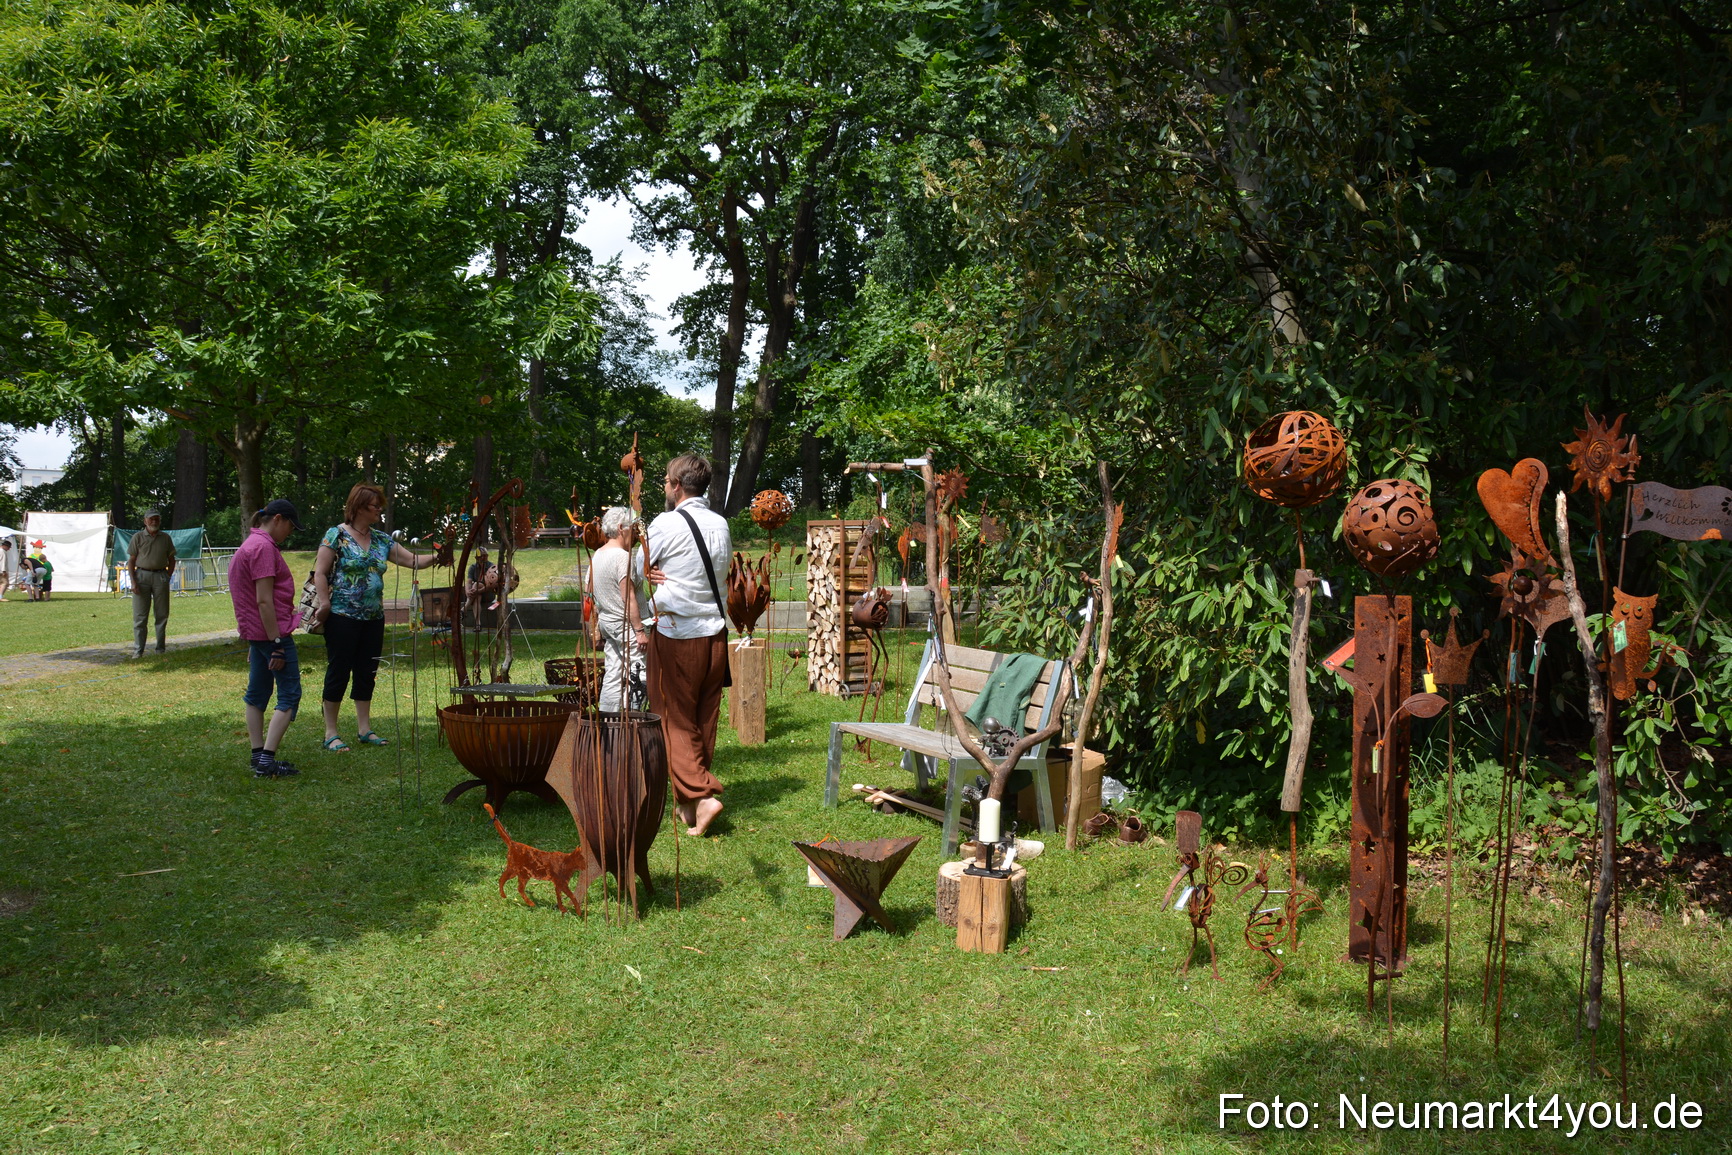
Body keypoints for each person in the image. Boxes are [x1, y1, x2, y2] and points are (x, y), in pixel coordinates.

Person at [313, 482, 443, 752]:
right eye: (375, 506)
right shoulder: (336, 535)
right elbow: (320, 572)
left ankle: (364, 729)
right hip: (341, 616)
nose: (380, 511)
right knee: (339, 671)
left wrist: (441, 554)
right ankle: (331, 733)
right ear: (359, 506)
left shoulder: (382, 540)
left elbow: (413, 561)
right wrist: (324, 603)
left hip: (373, 618)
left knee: (366, 672)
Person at [644, 454, 730, 836]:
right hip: (716, 635)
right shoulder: (721, 523)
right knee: (702, 719)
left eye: (665, 480)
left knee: (673, 718)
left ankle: (703, 794)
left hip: (678, 633)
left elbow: (632, 569)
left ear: (677, 485)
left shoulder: (665, 522)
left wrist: (645, 571)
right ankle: (689, 803)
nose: (664, 486)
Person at [230, 499, 303, 778]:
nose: (290, 534)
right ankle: (266, 761)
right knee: (290, 694)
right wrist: (275, 644)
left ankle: (257, 755)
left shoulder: (251, 544)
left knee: (257, 692)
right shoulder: (262, 548)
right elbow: (263, 601)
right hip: (272, 634)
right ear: (278, 520)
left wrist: (255, 641)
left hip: (258, 635)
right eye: (291, 527)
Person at [590, 506, 648, 713]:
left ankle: (609, 719)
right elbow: (628, 597)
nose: (634, 534)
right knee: (638, 672)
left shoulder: (597, 555)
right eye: (632, 528)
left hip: (609, 625)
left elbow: (593, 595)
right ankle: (633, 720)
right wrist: (640, 631)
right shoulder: (621, 557)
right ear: (621, 528)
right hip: (626, 628)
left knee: (613, 672)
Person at [127, 508, 177, 657]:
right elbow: (131, 560)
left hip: (160, 576)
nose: (154, 521)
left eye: (156, 519)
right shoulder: (137, 537)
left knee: (162, 614)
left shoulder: (165, 538)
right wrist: (133, 581)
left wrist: (167, 575)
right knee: (140, 616)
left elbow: (172, 559)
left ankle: (160, 649)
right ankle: (138, 650)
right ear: (145, 521)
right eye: (151, 519)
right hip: (141, 576)